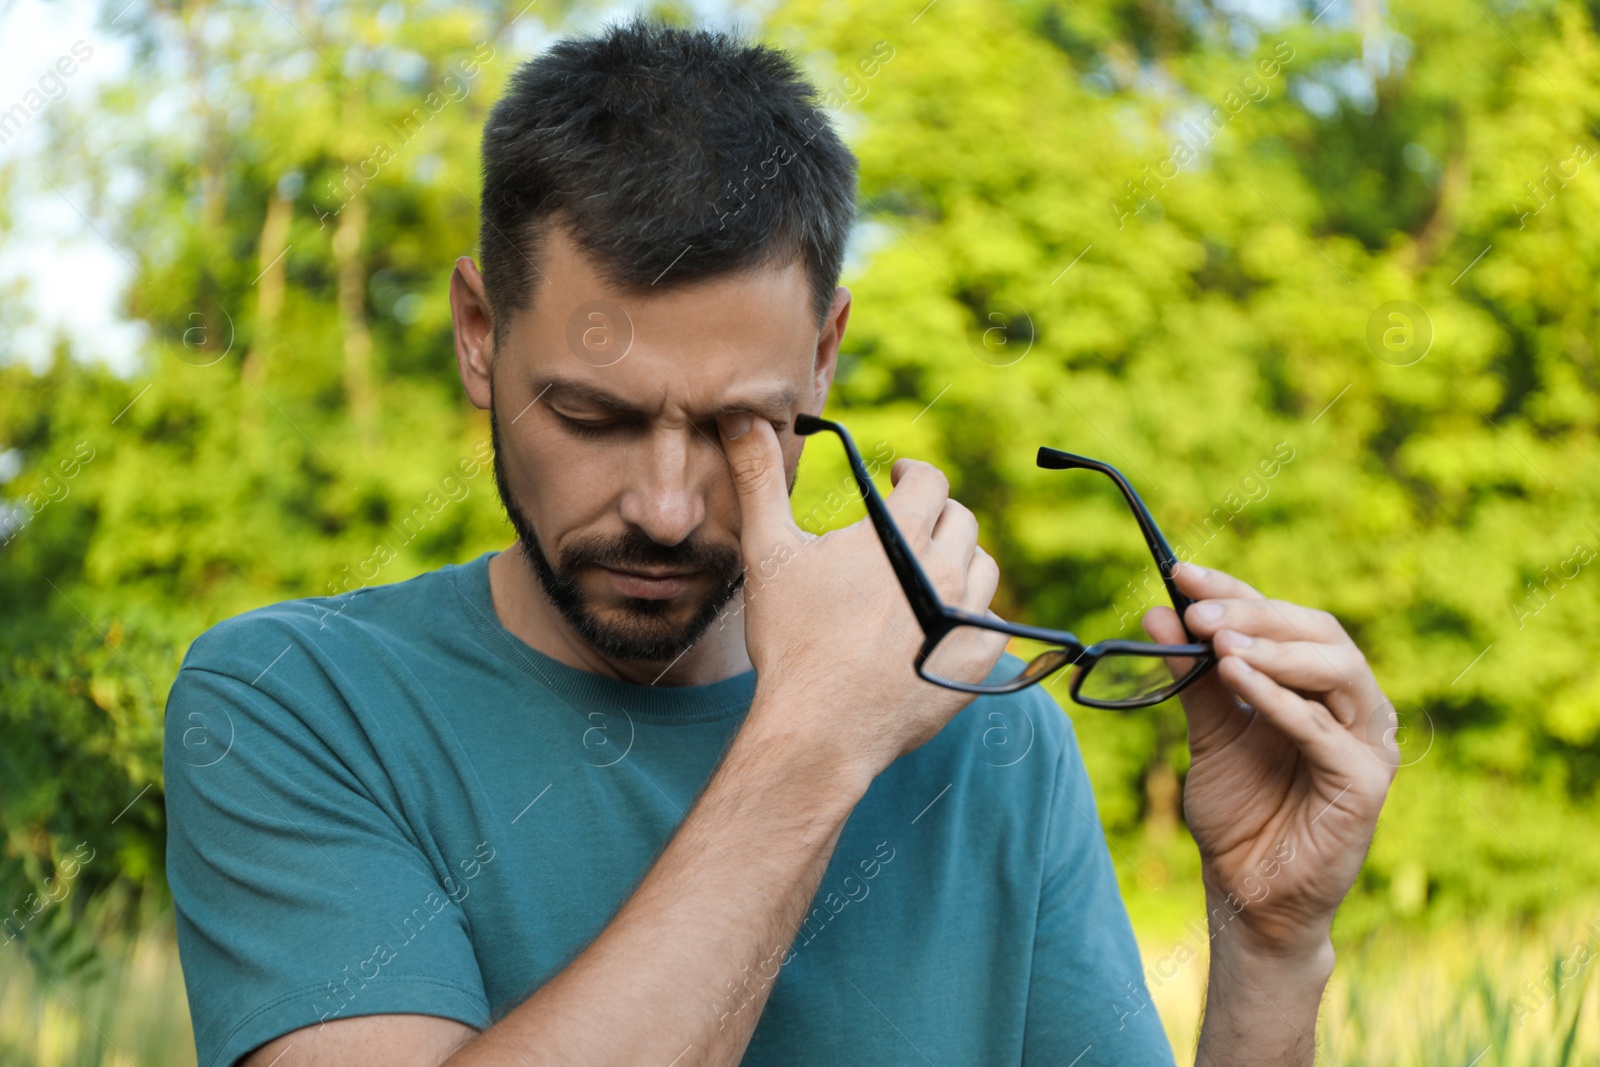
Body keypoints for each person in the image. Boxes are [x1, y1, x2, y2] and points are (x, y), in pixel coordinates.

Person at [164, 17, 1397, 1067]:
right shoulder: (294, 702)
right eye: (591, 413)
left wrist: (1270, 948)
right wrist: (816, 738)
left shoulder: (985, 730)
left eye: (738, 424)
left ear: (823, 353)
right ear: (480, 331)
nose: (661, 503)